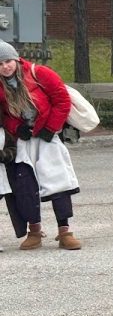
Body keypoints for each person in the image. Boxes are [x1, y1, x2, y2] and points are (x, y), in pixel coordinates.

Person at [0, 41, 81, 249]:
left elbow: (62, 100)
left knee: (57, 179)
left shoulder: (40, 73)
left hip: (47, 136)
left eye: (8, 61)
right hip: (23, 140)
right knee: (24, 184)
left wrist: (50, 128)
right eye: (0, 64)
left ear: (16, 59)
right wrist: (16, 127)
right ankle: (34, 231)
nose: (5, 67)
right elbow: (2, 116)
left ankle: (65, 231)